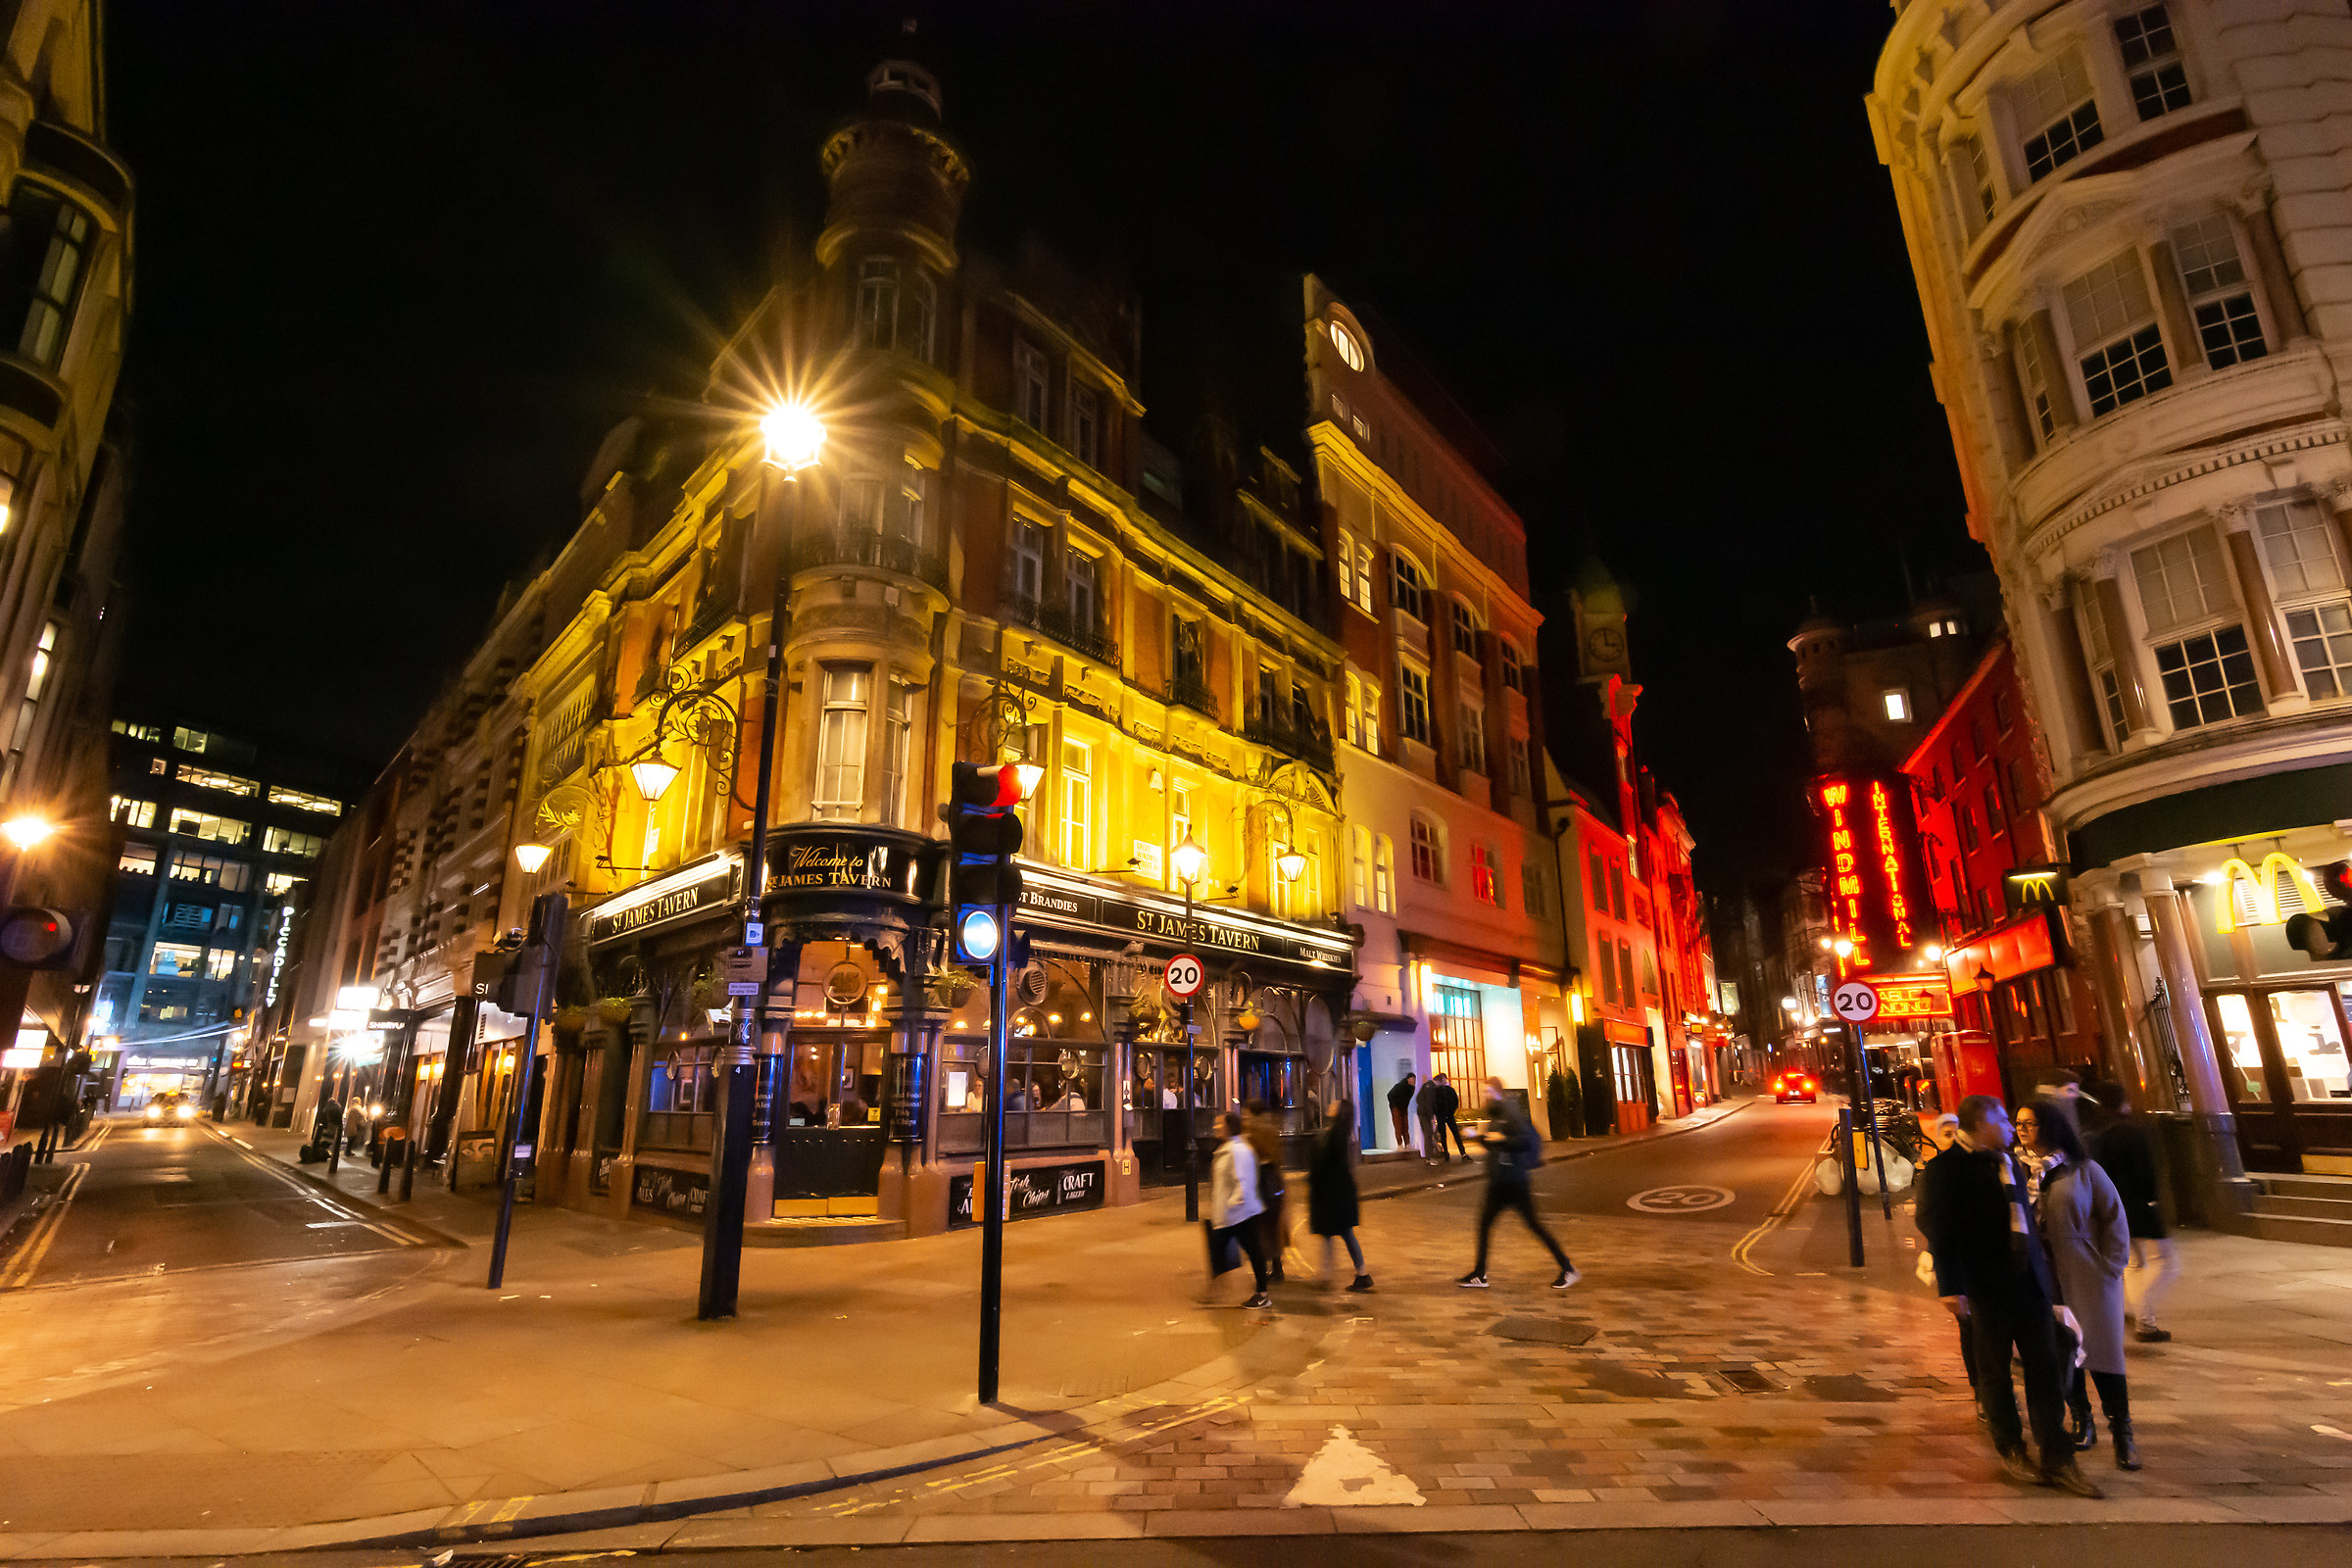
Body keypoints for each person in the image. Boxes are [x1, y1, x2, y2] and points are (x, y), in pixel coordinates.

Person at [1914, 1094, 2101, 1497]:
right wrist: (1951, 1286)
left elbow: (2024, 1222)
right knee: (1995, 1373)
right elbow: (1936, 1227)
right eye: (2003, 1120)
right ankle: (2011, 1448)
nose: (2011, 1128)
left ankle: (2057, 1457)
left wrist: (2045, 1276)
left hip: (2030, 1283)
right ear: (1982, 1124)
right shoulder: (1946, 1168)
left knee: (2045, 1369)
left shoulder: (2008, 1161)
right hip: (1985, 1286)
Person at [2021, 1095, 2140, 1472]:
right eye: (2018, 1124)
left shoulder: (2083, 1169)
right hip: (2045, 1276)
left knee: (2104, 1355)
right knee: (2062, 1353)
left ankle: (2122, 1433)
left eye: (2029, 1123)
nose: (2021, 1130)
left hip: (2088, 1274)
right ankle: (2081, 1420)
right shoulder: (2019, 1171)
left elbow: (2113, 1215)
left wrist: (2111, 1265)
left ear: (2050, 1126)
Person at [1457, 1077, 1579, 1291]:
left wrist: (1501, 1140)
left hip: (1514, 1182)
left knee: (1535, 1226)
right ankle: (1479, 1274)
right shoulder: (1496, 1115)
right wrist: (1477, 1137)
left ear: (1497, 1092)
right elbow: (1494, 1145)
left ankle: (1568, 1269)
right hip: (1499, 1182)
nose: (1485, 1096)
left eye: (1487, 1092)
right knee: (1485, 1224)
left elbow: (1524, 1141)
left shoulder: (1510, 1112)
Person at [2083, 1080, 2177, 1344]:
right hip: (2139, 1205)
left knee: (2134, 1264)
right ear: (2123, 1102)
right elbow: (2146, 1172)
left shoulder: (2096, 1134)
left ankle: (2140, 1317)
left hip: (2114, 1207)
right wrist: (2152, 1199)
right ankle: (2143, 1315)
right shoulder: (2133, 1132)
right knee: (2166, 1262)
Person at [1206, 1110, 1271, 1310]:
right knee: (1220, 1248)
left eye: (1219, 1124)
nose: (1216, 1127)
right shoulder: (1228, 1148)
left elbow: (1242, 1181)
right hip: (1231, 1214)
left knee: (1253, 1252)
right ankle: (1216, 1289)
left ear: (1229, 1127)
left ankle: (1262, 1295)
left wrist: (1234, 1202)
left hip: (1241, 1213)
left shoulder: (1238, 1150)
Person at [1307, 1098, 1373, 1292]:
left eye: (1335, 1104)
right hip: (1340, 1193)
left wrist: (1314, 1180)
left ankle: (1353, 1275)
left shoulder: (1335, 1134)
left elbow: (1324, 1164)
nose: (1331, 1105)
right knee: (1338, 1233)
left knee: (1339, 1232)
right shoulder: (1341, 1133)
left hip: (1334, 1194)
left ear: (1340, 1112)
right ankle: (1334, 1275)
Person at [1245, 1101, 1289, 1284]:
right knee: (1271, 1229)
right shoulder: (1269, 1127)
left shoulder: (1257, 1131)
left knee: (1262, 1229)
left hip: (1265, 1184)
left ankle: (1266, 1274)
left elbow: (1258, 1155)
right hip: (1274, 1183)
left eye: (1247, 1113)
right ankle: (1276, 1269)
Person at [1433, 1073, 1470, 1160]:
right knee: (1455, 1134)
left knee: (1444, 1135)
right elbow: (1455, 1102)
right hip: (1448, 1115)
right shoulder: (1448, 1090)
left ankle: (1447, 1153)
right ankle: (1462, 1153)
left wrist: (1437, 1112)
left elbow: (1433, 1104)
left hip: (1443, 1115)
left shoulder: (1436, 1091)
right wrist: (1451, 1111)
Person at [1414, 1073, 1443, 1164]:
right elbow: (1429, 1103)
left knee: (1427, 1134)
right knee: (1428, 1134)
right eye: (1444, 1081)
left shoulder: (1426, 1085)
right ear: (1440, 1080)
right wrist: (1431, 1117)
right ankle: (1429, 1158)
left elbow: (1418, 1098)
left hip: (1422, 1113)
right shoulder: (1431, 1088)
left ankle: (1428, 1157)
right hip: (1426, 1115)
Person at [1387, 1072, 1417, 1152]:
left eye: (1414, 1080)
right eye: (1412, 1079)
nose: (1413, 1081)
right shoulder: (1400, 1086)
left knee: (1405, 1126)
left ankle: (1407, 1144)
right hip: (1396, 1107)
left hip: (1403, 1107)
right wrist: (1395, 1104)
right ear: (1408, 1079)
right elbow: (1389, 1095)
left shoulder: (1411, 1088)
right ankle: (1400, 1145)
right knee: (1398, 1126)